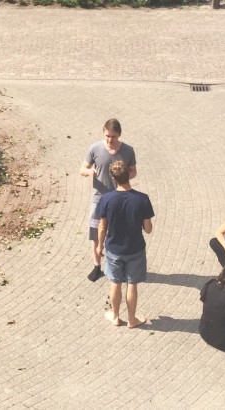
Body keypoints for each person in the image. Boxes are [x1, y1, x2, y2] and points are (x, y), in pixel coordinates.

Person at [95, 160, 154, 328]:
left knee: (115, 283)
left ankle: (114, 316)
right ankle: (132, 319)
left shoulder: (106, 199)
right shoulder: (142, 199)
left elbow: (102, 227)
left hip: (113, 248)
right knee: (132, 284)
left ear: (113, 178)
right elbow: (148, 229)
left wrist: (99, 246)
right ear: (129, 174)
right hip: (135, 248)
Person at [80, 119, 137, 282]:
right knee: (95, 233)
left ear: (119, 135)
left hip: (120, 199)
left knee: (119, 234)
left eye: (113, 136)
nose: (110, 140)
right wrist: (89, 171)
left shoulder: (128, 150)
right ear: (103, 133)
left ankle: (119, 266)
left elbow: (133, 171)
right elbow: (82, 168)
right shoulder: (95, 148)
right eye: (107, 136)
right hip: (99, 199)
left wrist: (124, 175)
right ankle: (97, 266)